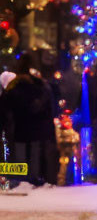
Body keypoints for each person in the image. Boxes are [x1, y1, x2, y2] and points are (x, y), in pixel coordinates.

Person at [0, 54, 58, 185]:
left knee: (21, 158)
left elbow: (4, 109)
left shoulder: (12, 87)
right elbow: (47, 108)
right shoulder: (40, 86)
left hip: (19, 130)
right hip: (36, 130)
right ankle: (34, 180)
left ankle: (21, 181)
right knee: (34, 158)